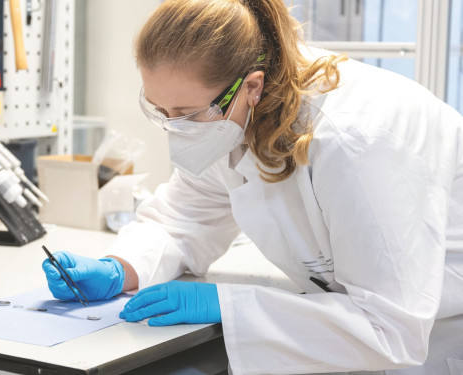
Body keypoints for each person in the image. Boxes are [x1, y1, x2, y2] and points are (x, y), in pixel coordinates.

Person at [42, 0, 463, 374]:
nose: (175, 130)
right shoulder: (230, 118)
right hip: (353, 319)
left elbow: (391, 329)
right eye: (161, 111)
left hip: (441, 337)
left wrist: (228, 307)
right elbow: (185, 216)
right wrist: (122, 266)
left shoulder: (358, 140)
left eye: (186, 113)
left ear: (252, 87)